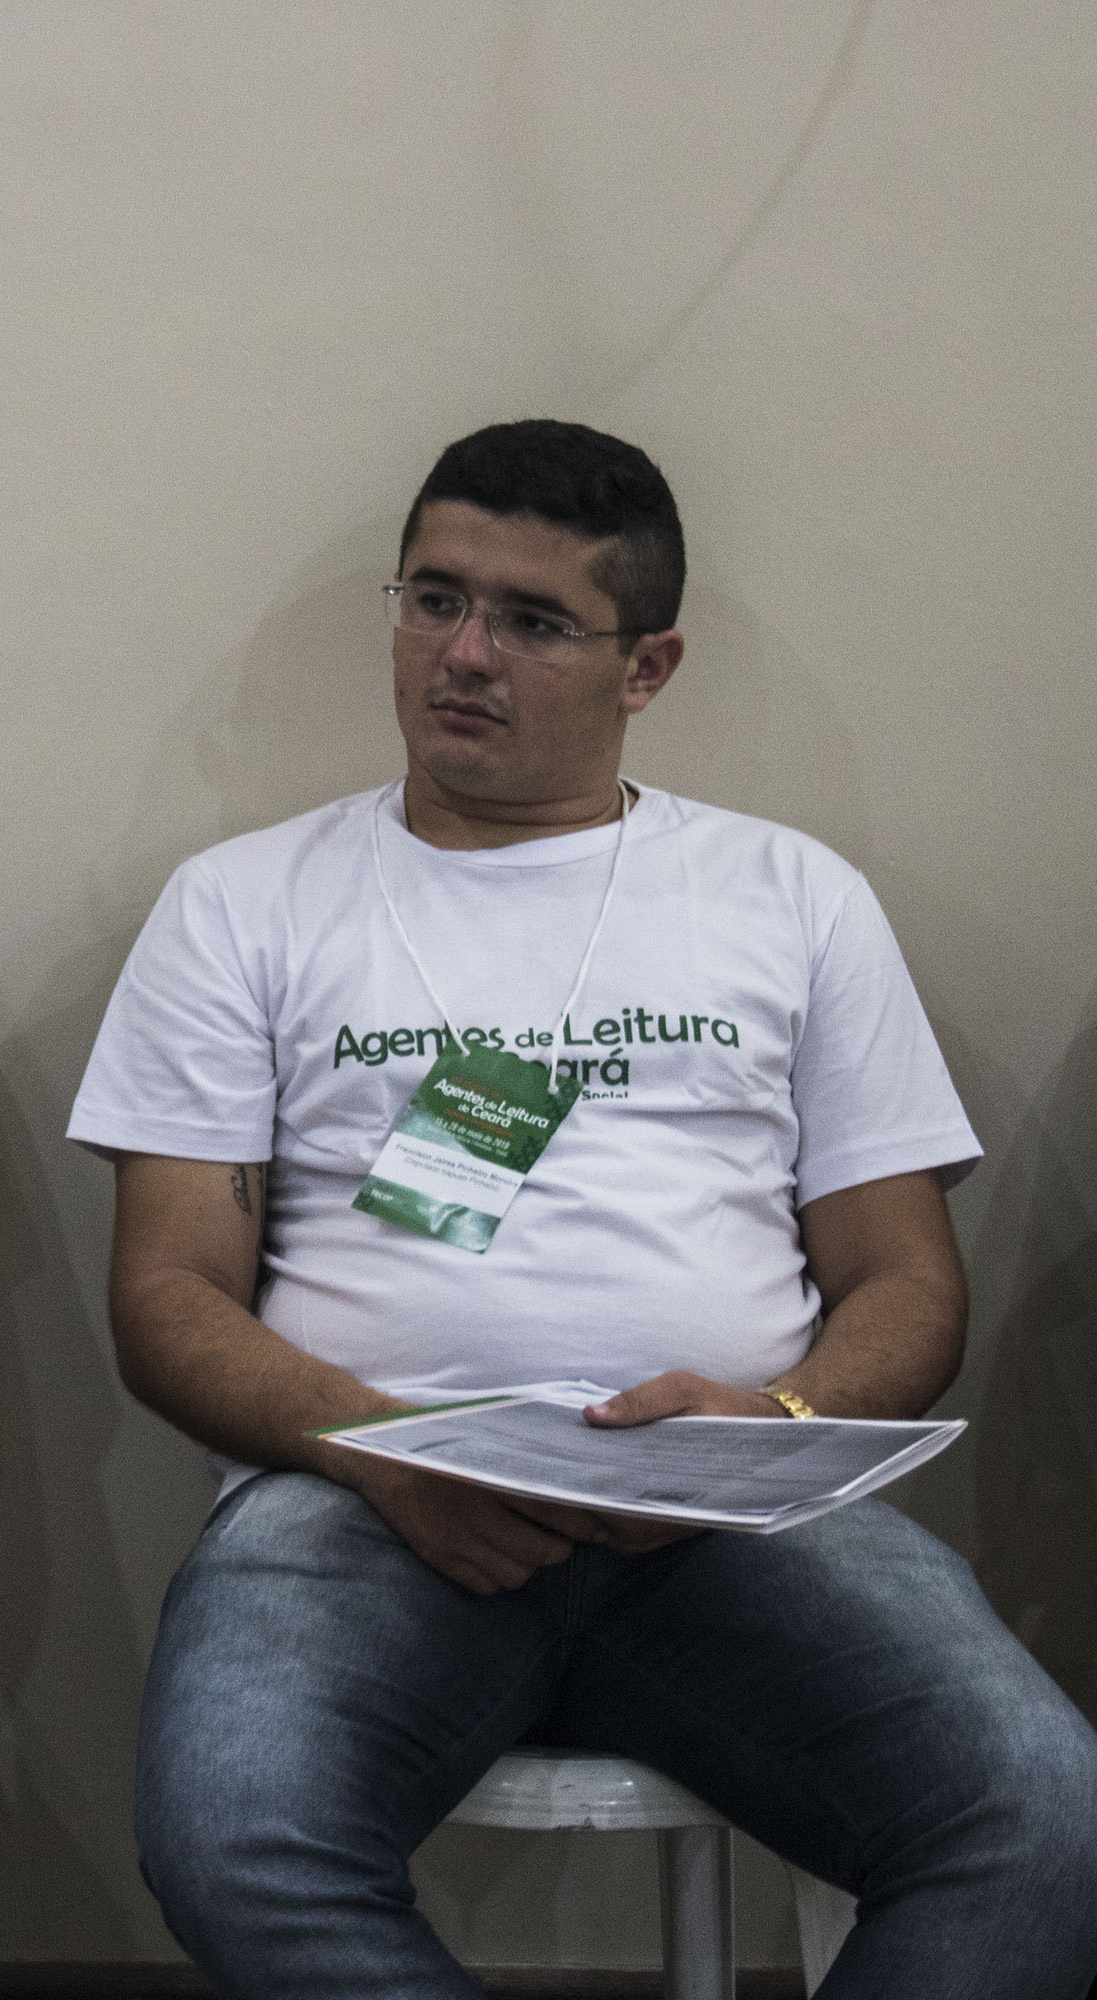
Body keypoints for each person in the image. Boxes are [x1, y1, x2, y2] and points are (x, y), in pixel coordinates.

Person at [71, 419, 1097, 1996]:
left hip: (731, 1514)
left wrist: (774, 1422)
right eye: (434, 599)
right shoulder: (243, 905)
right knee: (232, 1836)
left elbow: (907, 1284)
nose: (464, 654)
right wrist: (379, 1447)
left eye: (534, 621)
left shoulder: (789, 896)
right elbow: (166, 1298)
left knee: (1049, 1820)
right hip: (359, 1501)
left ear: (648, 666)